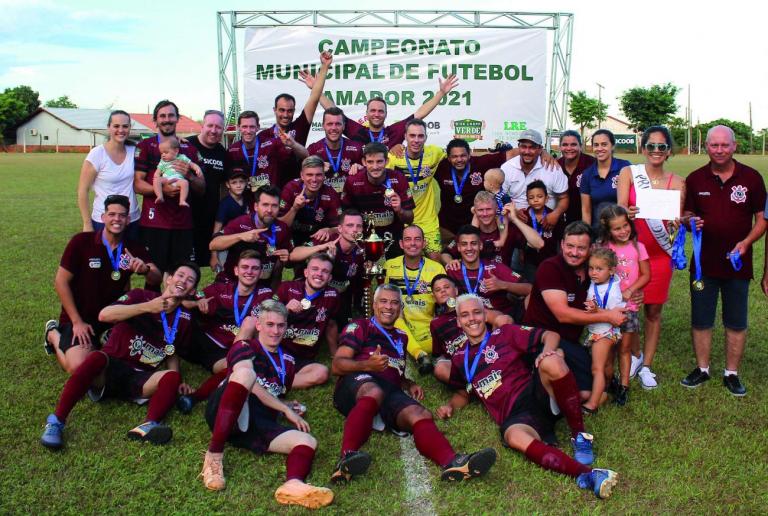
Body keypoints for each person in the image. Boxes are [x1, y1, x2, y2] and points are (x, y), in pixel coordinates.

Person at [436, 295, 619, 500]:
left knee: (552, 361)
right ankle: (588, 475)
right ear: (459, 321)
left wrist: (547, 352)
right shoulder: (460, 359)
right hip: (516, 416)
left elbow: (550, 335)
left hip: (536, 394)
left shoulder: (504, 333)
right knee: (514, 437)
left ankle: (580, 436)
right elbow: (463, 392)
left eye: (477, 312)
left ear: (485, 314)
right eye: (465, 315)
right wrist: (450, 405)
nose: (472, 319)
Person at [330, 284, 497, 484]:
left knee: (421, 414)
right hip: (357, 384)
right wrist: (367, 365)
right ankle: (346, 458)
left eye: (394, 303)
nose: (389, 307)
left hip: (387, 389)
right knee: (373, 392)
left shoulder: (401, 337)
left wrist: (406, 383)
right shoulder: (360, 326)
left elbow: (393, 369)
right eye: (383, 301)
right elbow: (337, 365)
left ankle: (453, 463)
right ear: (374, 305)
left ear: (400, 308)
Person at [40, 262, 200, 450]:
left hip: (140, 377)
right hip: (110, 368)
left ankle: (148, 426)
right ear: (169, 279)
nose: (183, 281)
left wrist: (176, 379)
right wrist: (147, 307)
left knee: (172, 376)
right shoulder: (140, 295)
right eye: (180, 275)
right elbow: (105, 315)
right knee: (96, 358)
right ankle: (56, 421)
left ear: (192, 291)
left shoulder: (185, 319)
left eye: (190, 280)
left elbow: (171, 349)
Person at [200, 301, 334, 509]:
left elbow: (271, 392)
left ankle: (293, 484)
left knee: (306, 440)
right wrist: (284, 409)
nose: (276, 330)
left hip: (255, 424)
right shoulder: (244, 346)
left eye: (281, 325)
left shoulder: (288, 361)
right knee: (245, 374)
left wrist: (285, 403)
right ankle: (214, 457)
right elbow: (249, 383)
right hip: (226, 414)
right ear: (259, 326)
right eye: (270, 324)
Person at [680, 125, 766, 396]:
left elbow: (762, 219)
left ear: (734, 146)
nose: (719, 150)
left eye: (724, 145)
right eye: (714, 145)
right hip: (703, 264)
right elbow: (685, 214)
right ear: (706, 147)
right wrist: (690, 220)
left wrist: (746, 243)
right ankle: (702, 369)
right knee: (701, 319)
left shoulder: (751, 178)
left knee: (736, 321)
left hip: (737, 265)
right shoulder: (695, 178)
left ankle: (731, 373)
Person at [44, 195, 161, 374]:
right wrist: (77, 322)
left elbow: (157, 278)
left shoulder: (133, 248)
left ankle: (103, 339)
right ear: (103, 217)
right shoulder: (81, 242)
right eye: (112, 214)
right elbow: (60, 282)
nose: (117, 219)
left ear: (128, 219)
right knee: (78, 367)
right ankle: (53, 334)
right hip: (79, 317)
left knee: (137, 357)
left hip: (111, 318)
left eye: (122, 215)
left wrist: (145, 269)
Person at [617, 126, 685, 389]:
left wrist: (677, 223)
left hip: (660, 256)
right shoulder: (629, 174)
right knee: (632, 306)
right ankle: (635, 355)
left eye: (662, 146)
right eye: (651, 146)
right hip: (633, 254)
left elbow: (676, 223)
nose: (656, 151)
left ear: (668, 151)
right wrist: (627, 211)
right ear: (643, 148)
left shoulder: (678, 182)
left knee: (654, 311)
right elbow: (620, 207)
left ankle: (647, 366)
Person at [523, 221, 628, 394]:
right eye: (569, 246)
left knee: (591, 388)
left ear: (591, 248)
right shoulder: (550, 268)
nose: (574, 252)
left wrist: (632, 293)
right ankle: (539, 379)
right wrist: (608, 316)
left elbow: (613, 288)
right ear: (562, 244)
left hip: (570, 343)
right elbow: (563, 314)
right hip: (542, 339)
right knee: (584, 392)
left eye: (581, 248)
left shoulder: (593, 271)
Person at [176, 250, 274, 413]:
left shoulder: (266, 295)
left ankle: (195, 397)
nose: (249, 272)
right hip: (206, 342)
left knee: (236, 365)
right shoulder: (218, 289)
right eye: (245, 267)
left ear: (261, 272)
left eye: (254, 268)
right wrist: (197, 304)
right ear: (236, 270)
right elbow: (183, 300)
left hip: (228, 351)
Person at [133, 100, 204, 272]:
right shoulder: (145, 146)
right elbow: (137, 184)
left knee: (181, 276)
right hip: (154, 223)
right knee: (154, 276)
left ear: (177, 118)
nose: (167, 119)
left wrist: (189, 176)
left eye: (171, 115)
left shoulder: (189, 149)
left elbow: (202, 188)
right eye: (162, 116)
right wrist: (161, 190)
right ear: (155, 120)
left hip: (183, 223)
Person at [312, 75, 459, 148]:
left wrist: (441, 93)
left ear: (386, 114)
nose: (376, 114)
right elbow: (332, 110)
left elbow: (419, 113)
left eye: (380, 111)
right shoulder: (357, 131)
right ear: (367, 113)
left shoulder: (393, 132)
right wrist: (315, 88)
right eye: (373, 111)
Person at [597, 205, 650, 405]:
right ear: (608, 230)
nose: (623, 231)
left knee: (625, 349)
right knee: (608, 349)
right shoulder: (603, 248)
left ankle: (624, 387)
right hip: (607, 309)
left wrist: (631, 290)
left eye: (625, 226)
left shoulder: (638, 247)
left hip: (629, 308)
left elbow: (646, 274)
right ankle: (610, 381)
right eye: (617, 228)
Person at [383, 225, 446, 371]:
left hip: (427, 329)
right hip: (397, 323)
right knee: (392, 311)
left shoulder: (436, 268)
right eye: (408, 239)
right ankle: (420, 355)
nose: (412, 243)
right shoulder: (390, 265)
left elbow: (444, 303)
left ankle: (411, 348)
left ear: (424, 243)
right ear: (401, 244)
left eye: (417, 239)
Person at [429, 275, 513, 384]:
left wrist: (485, 315)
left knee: (505, 319)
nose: (443, 291)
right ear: (434, 296)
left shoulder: (471, 305)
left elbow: (500, 318)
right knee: (440, 367)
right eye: (438, 290)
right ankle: (475, 387)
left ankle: (502, 368)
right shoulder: (435, 323)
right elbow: (438, 354)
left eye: (446, 287)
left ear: (456, 290)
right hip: (465, 363)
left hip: (488, 351)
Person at [291, 209, 366, 327]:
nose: (355, 230)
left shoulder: (363, 249)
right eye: (350, 225)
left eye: (359, 226)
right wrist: (320, 248)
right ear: (340, 229)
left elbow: (359, 282)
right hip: (311, 292)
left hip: (339, 296)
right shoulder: (326, 239)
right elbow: (293, 255)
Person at [275, 253, 339, 389]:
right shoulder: (286, 288)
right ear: (306, 272)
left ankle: (275, 382)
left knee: (322, 373)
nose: (319, 274)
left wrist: (336, 357)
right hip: (277, 349)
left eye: (325, 271)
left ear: (330, 278)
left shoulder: (333, 295)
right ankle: (273, 376)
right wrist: (284, 309)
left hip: (304, 358)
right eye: (315, 269)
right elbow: (265, 320)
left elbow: (331, 325)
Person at [210, 185, 293, 288]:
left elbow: (286, 266)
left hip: (262, 288)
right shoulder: (240, 222)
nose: (270, 210)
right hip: (232, 283)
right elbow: (213, 244)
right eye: (265, 205)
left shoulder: (282, 228)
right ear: (256, 206)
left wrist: (285, 258)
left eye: (274, 205)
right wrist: (240, 236)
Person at [341, 142, 414, 258]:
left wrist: (400, 210)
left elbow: (409, 219)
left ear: (387, 161)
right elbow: (345, 218)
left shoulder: (399, 179)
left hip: (392, 242)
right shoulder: (352, 181)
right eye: (370, 162)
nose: (375, 167)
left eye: (379, 161)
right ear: (364, 162)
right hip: (362, 243)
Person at [385, 118, 443, 260]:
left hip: (428, 221)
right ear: (405, 136)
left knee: (436, 262)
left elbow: (459, 157)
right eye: (412, 136)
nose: (416, 140)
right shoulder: (393, 157)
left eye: (420, 136)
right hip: (402, 220)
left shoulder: (435, 153)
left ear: (426, 137)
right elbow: (374, 171)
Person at [77, 110, 140, 239]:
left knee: (131, 258)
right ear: (108, 128)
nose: (121, 130)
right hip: (104, 221)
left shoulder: (135, 151)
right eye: (116, 126)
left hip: (131, 220)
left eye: (125, 126)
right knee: (105, 258)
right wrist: (87, 223)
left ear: (129, 128)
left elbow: (159, 148)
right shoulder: (97, 154)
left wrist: (175, 139)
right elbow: (83, 190)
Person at [435, 139, 516, 241]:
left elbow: (512, 154)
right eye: (454, 156)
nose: (459, 159)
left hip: (475, 226)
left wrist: (542, 152)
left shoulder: (480, 163)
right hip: (447, 228)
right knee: (448, 255)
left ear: (469, 154)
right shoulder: (441, 167)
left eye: (463, 155)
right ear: (448, 158)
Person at [445, 225, 531, 318]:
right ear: (458, 247)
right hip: (468, 320)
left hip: (501, 320)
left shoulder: (495, 267)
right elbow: (445, 300)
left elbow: (530, 289)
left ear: (480, 245)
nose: (469, 248)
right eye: (464, 244)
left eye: (473, 243)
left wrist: (502, 285)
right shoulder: (452, 270)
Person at [442, 191, 543, 268]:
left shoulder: (508, 230)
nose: (485, 214)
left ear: (496, 210)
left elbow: (539, 244)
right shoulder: (467, 232)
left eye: (488, 209)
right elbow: (445, 253)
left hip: (502, 284)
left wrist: (515, 219)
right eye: (481, 210)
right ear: (475, 211)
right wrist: (450, 261)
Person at [224, 110, 308, 199]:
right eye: (244, 127)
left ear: (258, 127)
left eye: (252, 127)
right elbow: (226, 181)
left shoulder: (271, 144)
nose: (248, 131)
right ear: (238, 127)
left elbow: (306, 155)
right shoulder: (232, 150)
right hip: (245, 202)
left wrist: (293, 144)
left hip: (269, 201)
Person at [581, 248, 624, 414]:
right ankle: (606, 390)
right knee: (606, 366)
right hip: (598, 330)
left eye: (599, 269)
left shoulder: (612, 291)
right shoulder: (599, 282)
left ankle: (592, 404)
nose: (593, 273)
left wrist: (596, 310)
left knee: (596, 368)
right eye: (591, 268)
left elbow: (614, 314)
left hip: (604, 332)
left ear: (611, 270)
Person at [501, 129, 568, 229]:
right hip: (515, 224)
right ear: (518, 147)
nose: (527, 151)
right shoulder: (507, 168)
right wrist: (513, 211)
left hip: (546, 225)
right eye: (524, 146)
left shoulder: (552, 168)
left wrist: (555, 214)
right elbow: (500, 195)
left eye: (532, 147)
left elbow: (564, 198)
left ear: (540, 149)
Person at [187, 109, 227, 268]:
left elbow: (224, 187)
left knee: (209, 263)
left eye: (218, 127)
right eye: (210, 125)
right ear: (202, 126)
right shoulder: (187, 145)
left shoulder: (223, 153)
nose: (214, 130)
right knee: (182, 266)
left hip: (210, 219)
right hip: (186, 218)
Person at [279, 155, 342, 247]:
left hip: (316, 241)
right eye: (309, 175)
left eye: (318, 175)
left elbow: (340, 228)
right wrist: (294, 209)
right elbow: (279, 227)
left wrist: (329, 230)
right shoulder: (290, 189)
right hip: (290, 237)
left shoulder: (331, 193)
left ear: (324, 176)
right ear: (302, 175)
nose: (314, 180)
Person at [580, 129, 631, 228]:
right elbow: (586, 210)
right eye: (596, 145)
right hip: (598, 231)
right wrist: (586, 234)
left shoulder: (625, 167)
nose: (599, 148)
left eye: (604, 144)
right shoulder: (587, 174)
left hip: (622, 230)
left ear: (612, 146)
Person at [306, 107, 365, 194]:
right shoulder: (313, 150)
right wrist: (317, 170)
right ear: (323, 126)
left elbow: (370, 177)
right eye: (330, 124)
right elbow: (304, 180)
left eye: (338, 124)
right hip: (323, 202)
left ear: (344, 126)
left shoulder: (357, 148)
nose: (334, 128)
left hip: (349, 201)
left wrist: (362, 170)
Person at [520, 180, 566, 283]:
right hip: (530, 261)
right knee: (532, 285)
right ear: (527, 200)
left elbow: (562, 238)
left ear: (547, 198)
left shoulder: (553, 216)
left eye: (539, 196)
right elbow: (520, 238)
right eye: (531, 198)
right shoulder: (524, 216)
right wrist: (521, 253)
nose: (535, 200)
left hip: (550, 258)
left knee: (549, 283)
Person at [557, 130, 596, 224]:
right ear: (560, 147)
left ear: (581, 146)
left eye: (573, 144)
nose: (569, 148)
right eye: (565, 144)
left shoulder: (592, 164)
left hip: (589, 219)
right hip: (562, 222)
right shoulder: (556, 165)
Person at [153, 137, 204, 207]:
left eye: (166, 152)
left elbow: (192, 164)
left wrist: (197, 169)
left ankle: (182, 200)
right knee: (156, 181)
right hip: (166, 180)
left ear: (176, 151)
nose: (163, 155)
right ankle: (159, 196)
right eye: (161, 153)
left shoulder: (182, 157)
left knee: (185, 183)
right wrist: (157, 177)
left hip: (178, 180)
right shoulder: (162, 162)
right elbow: (157, 172)